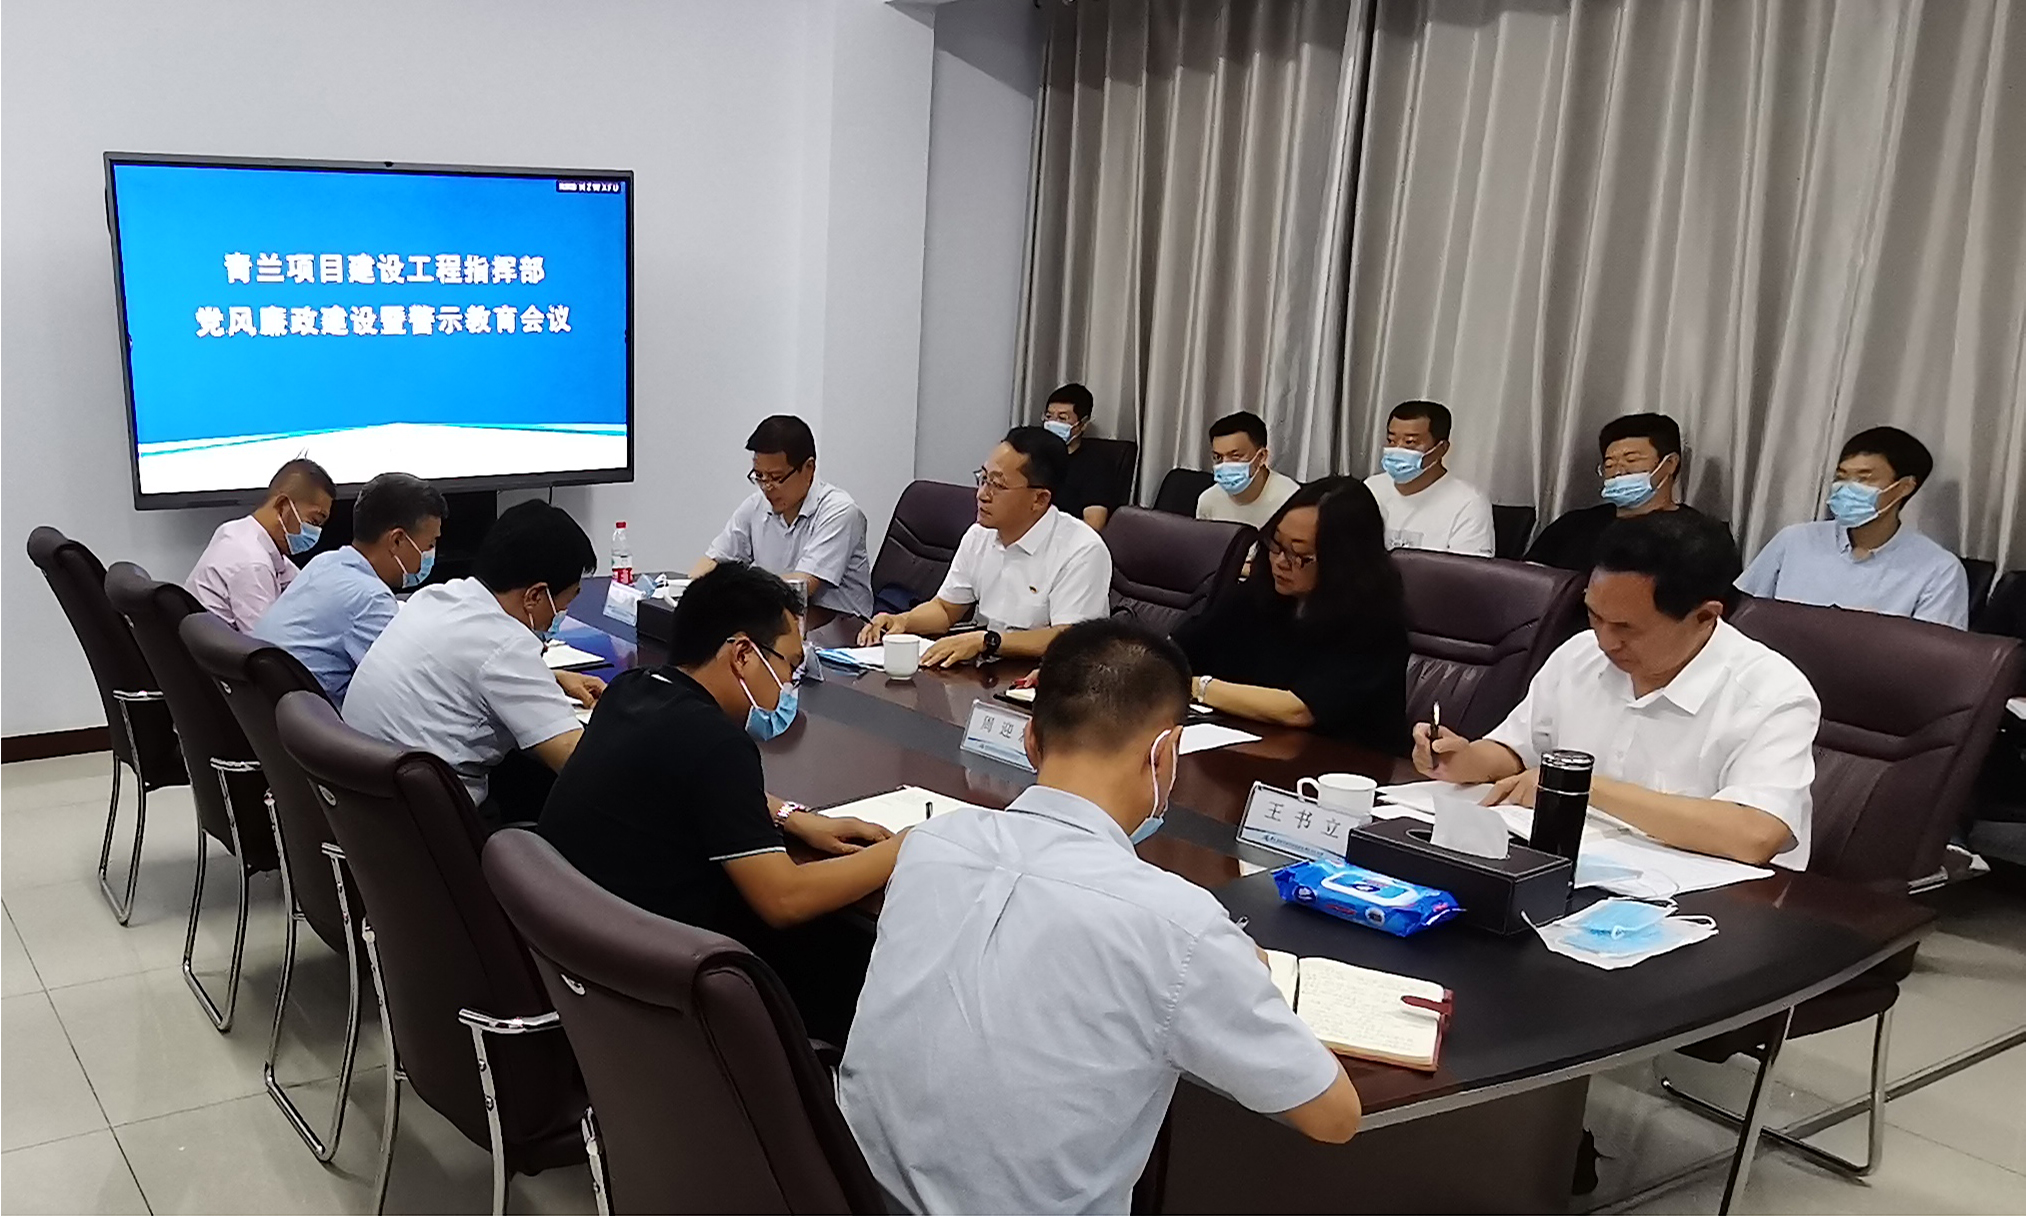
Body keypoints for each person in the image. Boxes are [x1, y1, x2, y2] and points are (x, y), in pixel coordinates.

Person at [838, 619, 1362, 1214]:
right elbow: (1334, 1116)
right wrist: (1235, 970)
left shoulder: (934, 844)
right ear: (1165, 754)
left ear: (1030, 739)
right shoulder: (1177, 925)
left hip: (849, 1193)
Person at [538, 562, 900, 1042]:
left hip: (578, 964)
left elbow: (683, 779)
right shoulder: (717, 743)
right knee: (842, 959)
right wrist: (903, 848)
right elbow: (784, 899)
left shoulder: (633, 688)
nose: (789, 683)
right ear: (744, 655)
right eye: (789, 665)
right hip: (660, 995)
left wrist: (792, 817)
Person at [1416, 511, 1819, 867]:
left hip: (1710, 901)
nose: (1605, 641)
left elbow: (1755, 834)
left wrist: (1581, 787)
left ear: (1704, 616)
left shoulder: (1771, 692)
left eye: (1627, 628)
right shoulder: (1580, 654)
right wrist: (1466, 760)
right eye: (1594, 616)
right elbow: (1518, 751)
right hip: (1575, 868)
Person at [343, 501, 607, 825]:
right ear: (535, 596)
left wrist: (550, 677)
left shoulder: (437, 597)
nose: (562, 613)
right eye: (567, 600)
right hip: (428, 826)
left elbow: (465, 670)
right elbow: (575, 760)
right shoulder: (506, 645)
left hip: (364, 809)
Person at [1173, 477, 1410, 751]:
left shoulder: (1375, 627)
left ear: (1344, 562)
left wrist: (1199, 688)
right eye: (1276, 544)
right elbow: (1180, 648)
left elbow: (1299, 709)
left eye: (1298, 554)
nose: (1279, 562)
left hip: (1340, 764)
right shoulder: (1258, 594)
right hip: (1245, 749)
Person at [857, 427, 1112, 668]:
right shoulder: (979, 536)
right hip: (989, 671)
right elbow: (946, 609)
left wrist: (987, 641)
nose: (981, 494)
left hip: (1048, 680)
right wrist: (902, 620)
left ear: (1039, 499)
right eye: (983, 478)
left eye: (997, 485)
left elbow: (1068, 638)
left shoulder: (1082, 550)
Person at [1737, 426, 1970, 629]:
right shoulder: (1795, 540)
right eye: (1842, 477)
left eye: (1864, 478)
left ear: (1904, 487)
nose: (1847, 488)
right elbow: (1742, 614)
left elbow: (1932, 655)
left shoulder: (1939, 570)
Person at [252, 472, 446, 705]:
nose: (430, 554)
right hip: (314, 718)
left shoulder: (326, 562)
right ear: (396, 540)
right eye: (430, 544)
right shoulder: (371, 598)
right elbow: (407, 690)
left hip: (270, 709)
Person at [688, 414, 875, 620]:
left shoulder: (839, 512)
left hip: (840, 628)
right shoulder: (756, 505)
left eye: (776, 478)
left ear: (809, 469)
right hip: (778, 618)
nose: (767, 487)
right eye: (759, 476)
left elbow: (801, 587)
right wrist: (692, 590)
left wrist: (737, 592)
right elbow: (713, 560)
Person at [1527, 413, 1722, 574]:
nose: (1619, 471)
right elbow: (1526, 582)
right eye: (1610, 464)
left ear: (1670, 464)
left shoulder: (1701, 537)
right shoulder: (1572, 525)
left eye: (1632, 460)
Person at [186, 458, 336, 632]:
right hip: (221, 648)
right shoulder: (253, 562)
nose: (316, 532)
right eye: (314, 521)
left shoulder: (237, 530)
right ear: (282, 506)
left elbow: (301, 585)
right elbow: (266, 643)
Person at [1362, 400, 1494, 557]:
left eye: (1410, 442)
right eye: (1391, 440)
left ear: (1441, 448)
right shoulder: (1371, 489)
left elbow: (1466, 570)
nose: (1397, 449)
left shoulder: (1468, 503)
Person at [1041, 383, 1129, 531]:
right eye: (1049, 417)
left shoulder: (1096, 465)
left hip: (1064, 537)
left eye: (1062, 418)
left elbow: (1094, 524)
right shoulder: (1034, 454)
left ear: (1082, 425)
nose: (1053, 423)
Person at [1194, 410, 1300, 529]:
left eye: (1235, 456)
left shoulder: (1290, 499)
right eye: (1218, 457)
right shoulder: (1208, 501)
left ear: (1261, 457)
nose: (1225, 464)